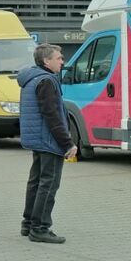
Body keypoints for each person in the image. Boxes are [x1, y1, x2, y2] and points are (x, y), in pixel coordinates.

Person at [18, 43, 77, 244]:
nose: (62, 61)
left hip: (38, 139)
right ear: (46, 61)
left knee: (36, 182)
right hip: (49, 140)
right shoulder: (46, 81)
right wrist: (68, 143)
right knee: (48, 184)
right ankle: (40, 227)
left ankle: (28, 223)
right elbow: (53, 116)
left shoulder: (32, 78)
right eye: (59, 58)